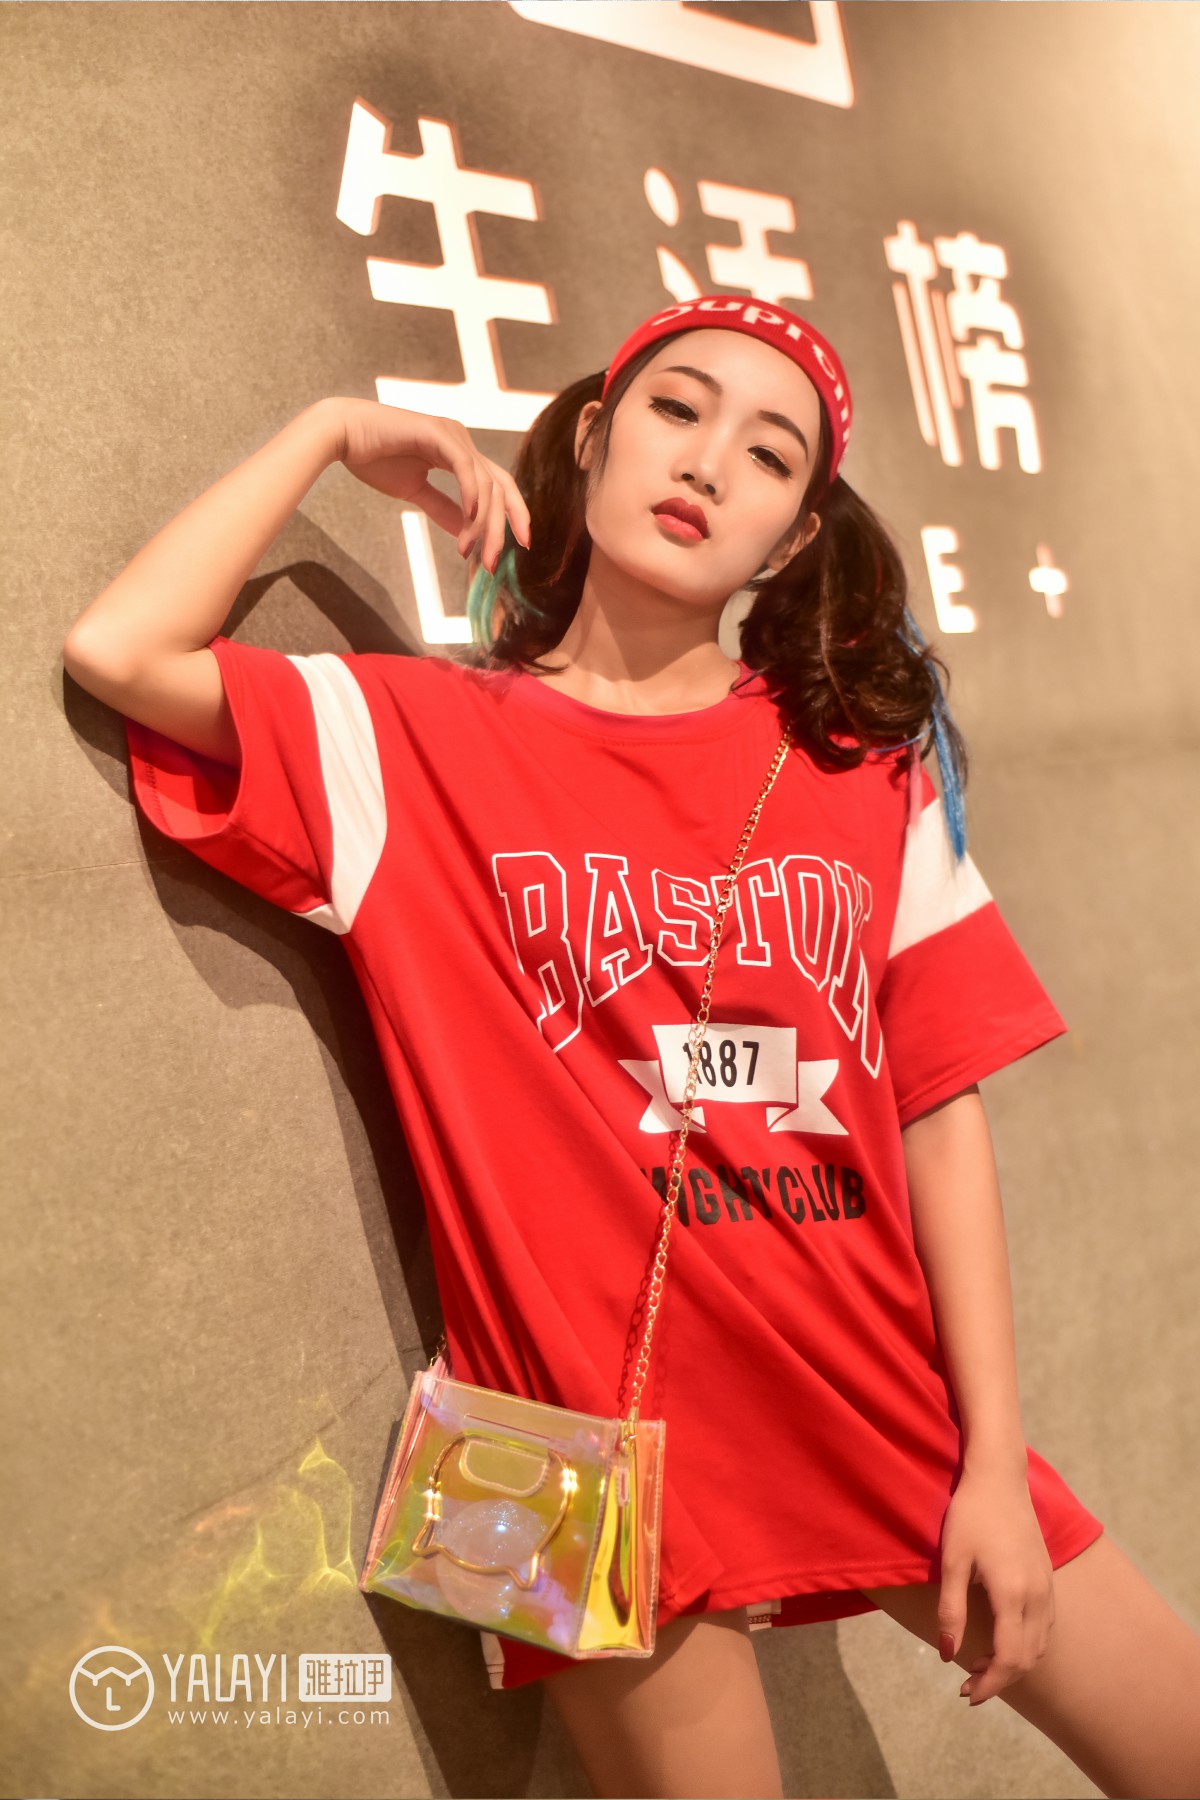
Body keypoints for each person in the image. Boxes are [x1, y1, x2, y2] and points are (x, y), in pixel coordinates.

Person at [63, 296, 1200, 1800]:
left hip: (861, 1382)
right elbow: (118, 646)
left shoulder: (860, 771)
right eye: (676, 409)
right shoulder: (409, 742)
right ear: (594, 439)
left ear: (794, 537)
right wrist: (333, 432)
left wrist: (991, 1455)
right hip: (550, 1442)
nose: (710, 462)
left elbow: (939, 1105)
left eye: (770, 454)